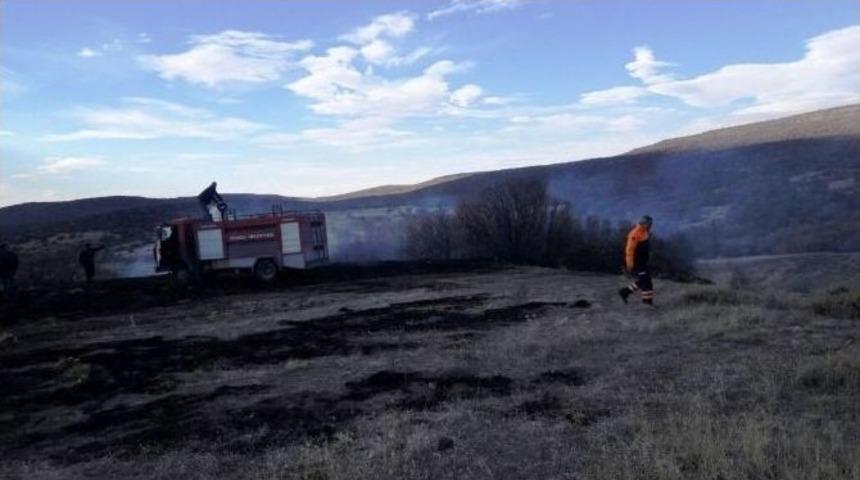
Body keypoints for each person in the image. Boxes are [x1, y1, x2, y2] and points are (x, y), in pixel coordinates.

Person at [619, 215, 655, 306]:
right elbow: (629, 250)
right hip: (637, 262)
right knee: (646, 281)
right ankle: (647, 303)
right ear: (644, 223)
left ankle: (625, 292)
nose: (650, 226)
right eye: (649, 224)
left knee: (645, 280)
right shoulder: (635, 234)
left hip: (643, 261)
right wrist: (630, 264)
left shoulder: (644, 232)